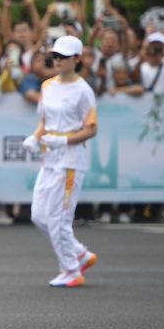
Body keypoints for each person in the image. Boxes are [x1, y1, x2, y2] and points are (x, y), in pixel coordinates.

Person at [22, 35, 99, 288]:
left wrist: (65, 142)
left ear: (77, 59)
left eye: (63, 57)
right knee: (38, 215)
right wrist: (35, 137)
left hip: (70, 160)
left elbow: (91, 128)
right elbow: (44, 120)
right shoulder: (47, 86)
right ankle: (79, 253)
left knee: (59, 218)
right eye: (54, 56)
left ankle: (71, 269)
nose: (57, 61)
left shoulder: (84, 91)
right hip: (50, 157)